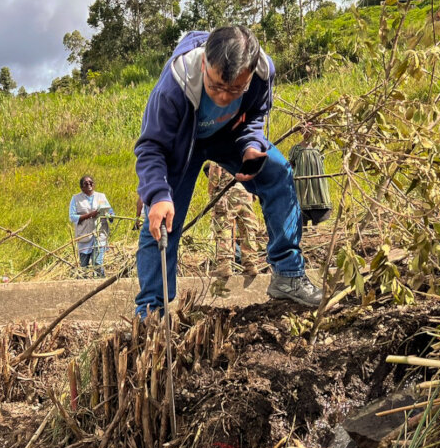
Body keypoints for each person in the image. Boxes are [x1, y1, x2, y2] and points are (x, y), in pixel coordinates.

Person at [134, 25, 322, 316]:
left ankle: (288, 274)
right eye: (216, 86)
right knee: (160, 222)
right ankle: (150, 309)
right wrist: (158, 194)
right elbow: (150, 147)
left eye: (235, 89)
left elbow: (257, 113)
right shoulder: (174, 86)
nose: (223, 97)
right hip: (182, 146)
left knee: (279, 174)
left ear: (248, 74)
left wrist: (251, 144)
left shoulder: (262, 71)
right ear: (204, 64)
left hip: (230, 137)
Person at [206, 163, 261, 278]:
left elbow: (214, 179)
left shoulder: (219, 152)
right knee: (247, 228)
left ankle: (225, 265)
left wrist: (212, 194)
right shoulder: (243, 152)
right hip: (246, 192)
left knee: (224, 227)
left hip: (227, 193)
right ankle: (251, 264)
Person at [69, 176, 114, 277]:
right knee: (84, 266)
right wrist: (89, 215)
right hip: (84, 235)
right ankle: (83, 285)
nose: (89, 185)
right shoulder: (76, 198)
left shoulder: (101, 196)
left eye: (91, 183)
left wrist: (110, 216)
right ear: (82, 187)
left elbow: (110, 211)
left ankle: (100, 282)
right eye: (86, 183)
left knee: (97, 263)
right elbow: (72, 217)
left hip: (99, 234)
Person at [288, 127, 332, 226]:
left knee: (317, 198)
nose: (307, 134)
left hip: (317, 181)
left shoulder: (319, 147)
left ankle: (316, 225)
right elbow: (291, 164)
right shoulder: (297, 149)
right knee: (302, 200)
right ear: (301, 132)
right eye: (304, 131)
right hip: (301, 182)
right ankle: (303, 226)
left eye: (309, 131)